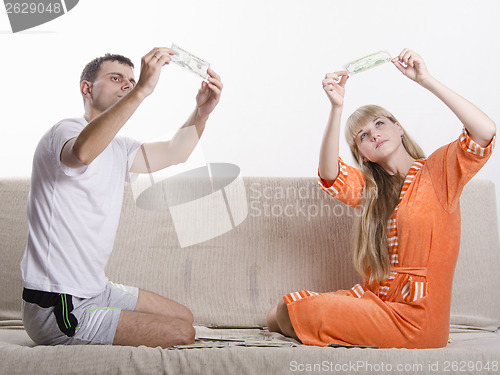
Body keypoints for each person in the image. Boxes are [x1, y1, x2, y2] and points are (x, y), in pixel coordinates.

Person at [266, 48, 496, 348]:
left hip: (417, 321)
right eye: (362, 136)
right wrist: (336, 107)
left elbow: (485, 132)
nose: (373, 134)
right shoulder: (371, 190)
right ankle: (300, 320)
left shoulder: (438, 172)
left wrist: (426, 80)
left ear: (398, 127)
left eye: (379, 124)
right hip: (376, 303)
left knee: (294, 311)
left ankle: (303, 321)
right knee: (279, 312)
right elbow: (329, 174)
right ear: (362, 153)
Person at [20, 47, 223, 348]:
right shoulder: (65, 131)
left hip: (96, 290)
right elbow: (82, 153)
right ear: (86, 89)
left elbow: (175, 152)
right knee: (183, 335)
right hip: (58, 304)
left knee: (184, 317)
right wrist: (140, 91)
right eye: (116, 78)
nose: (127, 84)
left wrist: (202, 113)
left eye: (130, 80)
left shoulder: (120, 148)